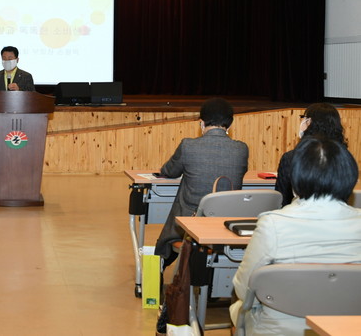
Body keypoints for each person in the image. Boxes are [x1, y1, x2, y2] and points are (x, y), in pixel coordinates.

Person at [230, 137, 361, 335]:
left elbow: (243, 288)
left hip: (279, 329)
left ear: (296, 178)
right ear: (349, 178)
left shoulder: (272, 224)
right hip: (348, 327)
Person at [154, 98, 249, 263]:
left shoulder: (188, 145)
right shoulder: (241, 149)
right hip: (227, 223)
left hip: (191, 223)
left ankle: (163, 262)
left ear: (201, 123)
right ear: (229, 125)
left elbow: (169, 171)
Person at [275, 103, 346, 206]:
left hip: (298, 214)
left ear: (309, 122)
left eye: (303, 118)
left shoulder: (291, 158)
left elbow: (282, 199)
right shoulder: (345, 158)